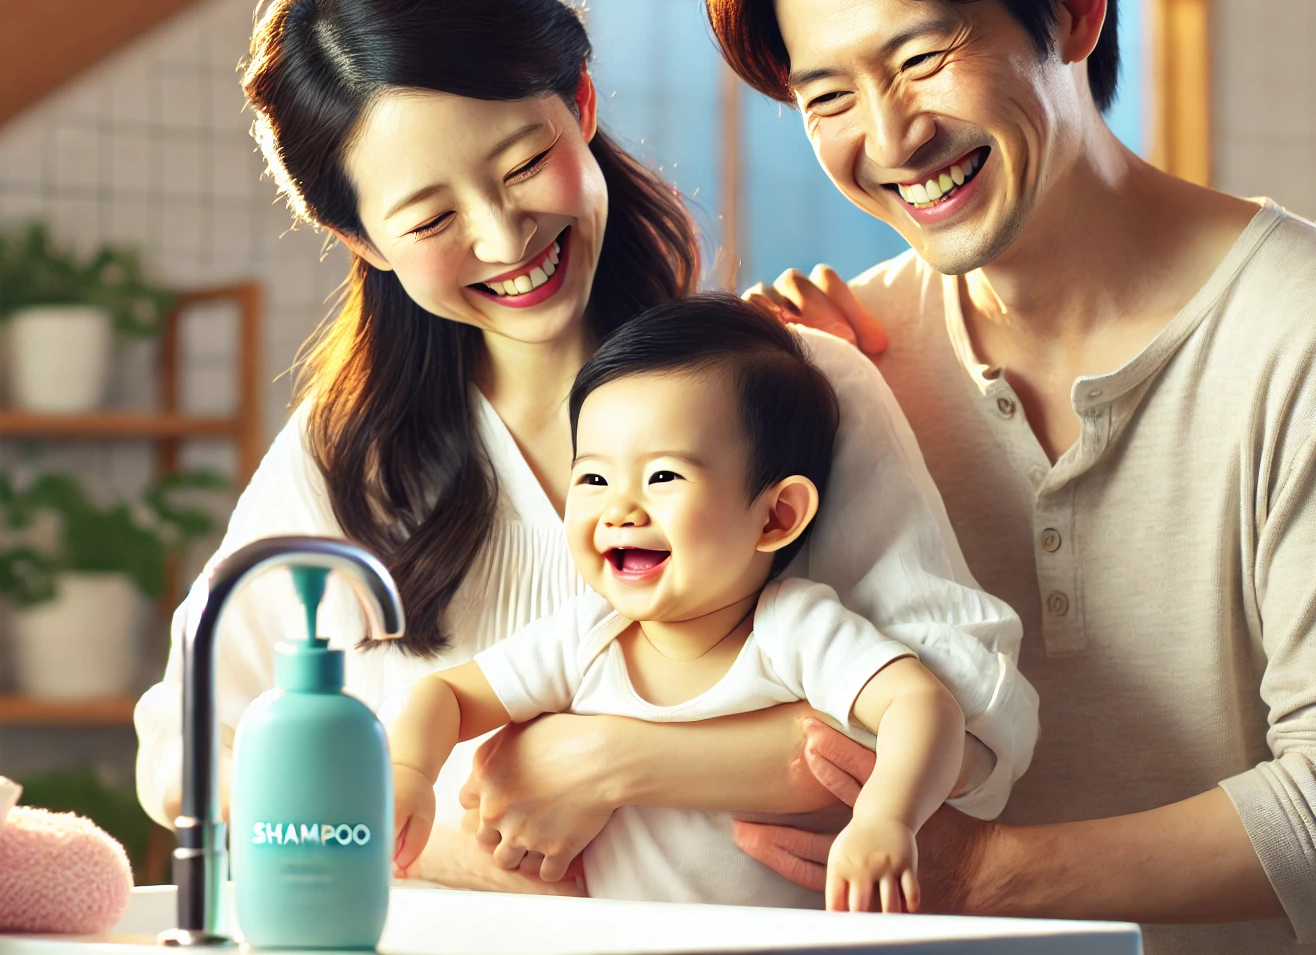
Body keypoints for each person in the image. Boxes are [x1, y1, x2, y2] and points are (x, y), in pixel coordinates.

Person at [595, 0, 1316, 952]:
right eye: (825, 97)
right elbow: (732, 682)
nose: (889, 137)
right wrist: (775, 424)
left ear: (1072, 2)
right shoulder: (845, 371)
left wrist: (978, 873)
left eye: (921, 58)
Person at [132, 0, 1037, 897]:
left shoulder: (797, 382)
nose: (501, 234)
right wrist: (452, 847)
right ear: (361, 238)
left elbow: (976, 726)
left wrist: (607, 759)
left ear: (583, 107)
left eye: (524, 163)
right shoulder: (345, 460)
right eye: (431, 220)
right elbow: (187, 760)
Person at [390, 295, 986, 913]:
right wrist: (409, 771)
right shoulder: (586, 638)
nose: (619, 509)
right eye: (593, 479)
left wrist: (887, 818)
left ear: (777, 516)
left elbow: (922, 705)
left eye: (664, 477)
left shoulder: (793, 629)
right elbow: (444, 695)